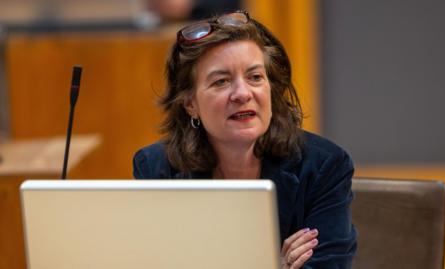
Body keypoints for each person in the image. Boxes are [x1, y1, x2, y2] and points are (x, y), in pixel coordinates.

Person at [133, 10, 356, 269]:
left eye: (255, 77)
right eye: (221, 81)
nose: (242, 93)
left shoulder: (323, 166)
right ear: (190, 103)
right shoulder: (157, 168)